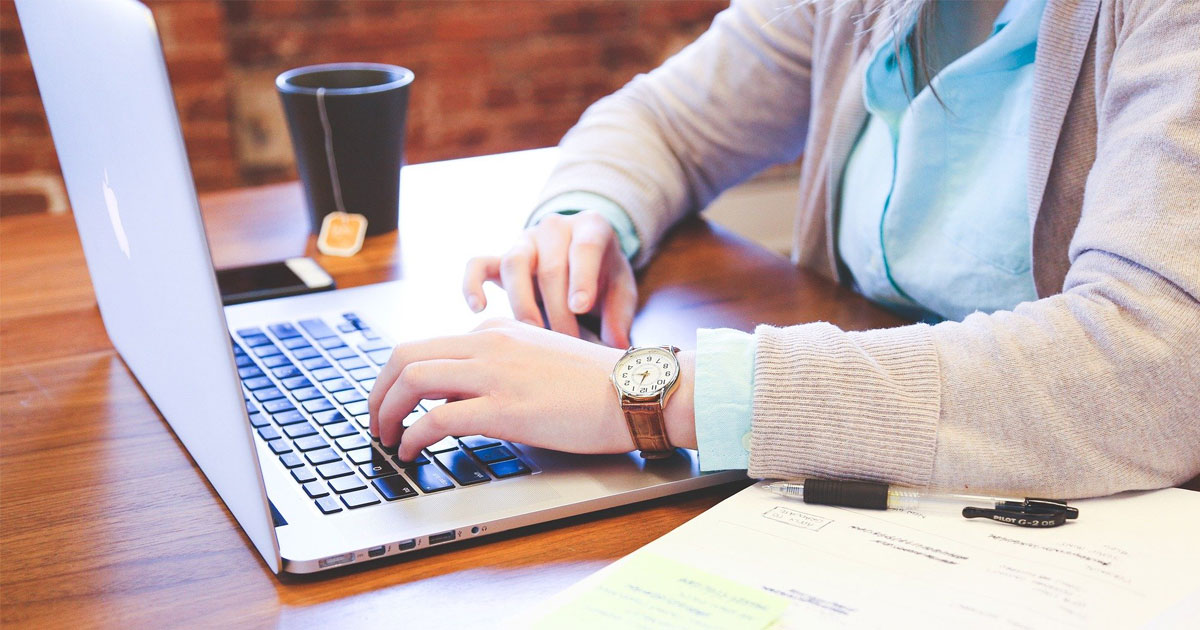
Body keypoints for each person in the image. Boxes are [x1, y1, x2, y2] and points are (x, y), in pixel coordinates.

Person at [368, 0, 1200, 498]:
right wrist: (586, 218)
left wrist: (650, 393)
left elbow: (1155, 368)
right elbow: (666, 120)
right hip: (873, 493)